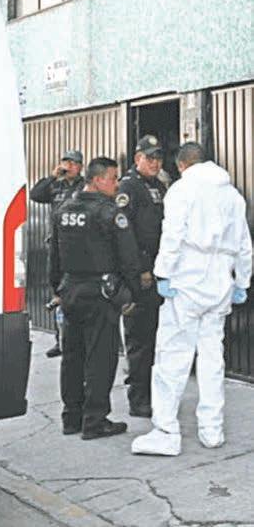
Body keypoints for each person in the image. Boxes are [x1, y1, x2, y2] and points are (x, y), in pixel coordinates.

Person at [131, 143, 252, 456]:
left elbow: (172, 235)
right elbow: (244, 243)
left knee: (172, 356)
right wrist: (242, 281)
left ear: (181, 165)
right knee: (212, 358)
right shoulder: (233, 195)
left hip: (187, 280)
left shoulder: (182, 190)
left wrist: (163, 274)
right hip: (220, 282)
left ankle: (166, 432)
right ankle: (212, 430)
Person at [50, 157, 144, 440]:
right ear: (98, 179)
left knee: (72, 356)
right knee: (100, 358)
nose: (117, 184)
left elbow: (55, 255)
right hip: (100, 293)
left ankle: (71, 417)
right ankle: (95, 420)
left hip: (71, 290)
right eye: (113, 178)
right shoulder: (109, 213)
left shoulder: (64, 210)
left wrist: (57, 289)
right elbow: (129, 259)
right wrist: (133, 294)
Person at [117, 135, 168, 417]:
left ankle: (152, 393)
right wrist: (140, 270)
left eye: (158, 158)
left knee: (156, 338)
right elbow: (125, 235)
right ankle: (138, 399)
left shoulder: (157, 185)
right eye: (150, 158)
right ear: (137, 158)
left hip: (159, 272)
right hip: (141, 275)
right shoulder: (129, 187)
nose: (155, 163)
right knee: (139, 340)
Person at [31, 150, 85, 358]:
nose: (68, 166)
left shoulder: (84, 186)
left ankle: (74, 338)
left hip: (77, 247)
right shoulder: (56, 185)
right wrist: (52, 176)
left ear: (80, 166)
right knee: (57, 290)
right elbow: (35, 194)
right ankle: (59, 339)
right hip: (56, 246)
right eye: (65, 162)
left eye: (72, 163)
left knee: (74, 290)